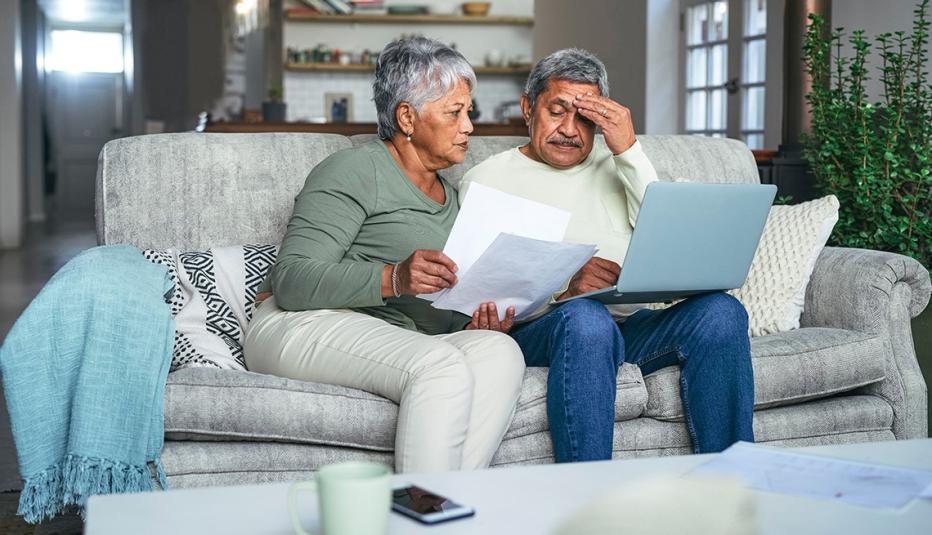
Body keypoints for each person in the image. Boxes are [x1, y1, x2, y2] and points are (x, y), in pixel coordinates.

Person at [244, 37, 526, 473]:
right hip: (300, 323)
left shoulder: (453, 201)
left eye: (469, 112)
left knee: (500, 352)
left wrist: (473, 321)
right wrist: (394, 278)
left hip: (396, 339)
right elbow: (292, 281)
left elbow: (433, 315)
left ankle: (441, 505)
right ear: (407, 117)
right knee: (440, 366)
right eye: (455, 112)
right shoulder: (355, 170)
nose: (469, 126)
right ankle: (423, 509)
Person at [459, 48, 754, 463]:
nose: (570, 130)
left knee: (722, 312)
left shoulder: (622, 164)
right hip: (545, 330)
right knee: (586, 317)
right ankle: (588, 493)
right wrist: (566, 292)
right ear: (528, 108)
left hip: (628, 326)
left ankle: (736, 482)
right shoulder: (487, 180)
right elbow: (475, 294)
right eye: (557, 111)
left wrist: (629, 149)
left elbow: (669, 244)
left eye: (585, 117)